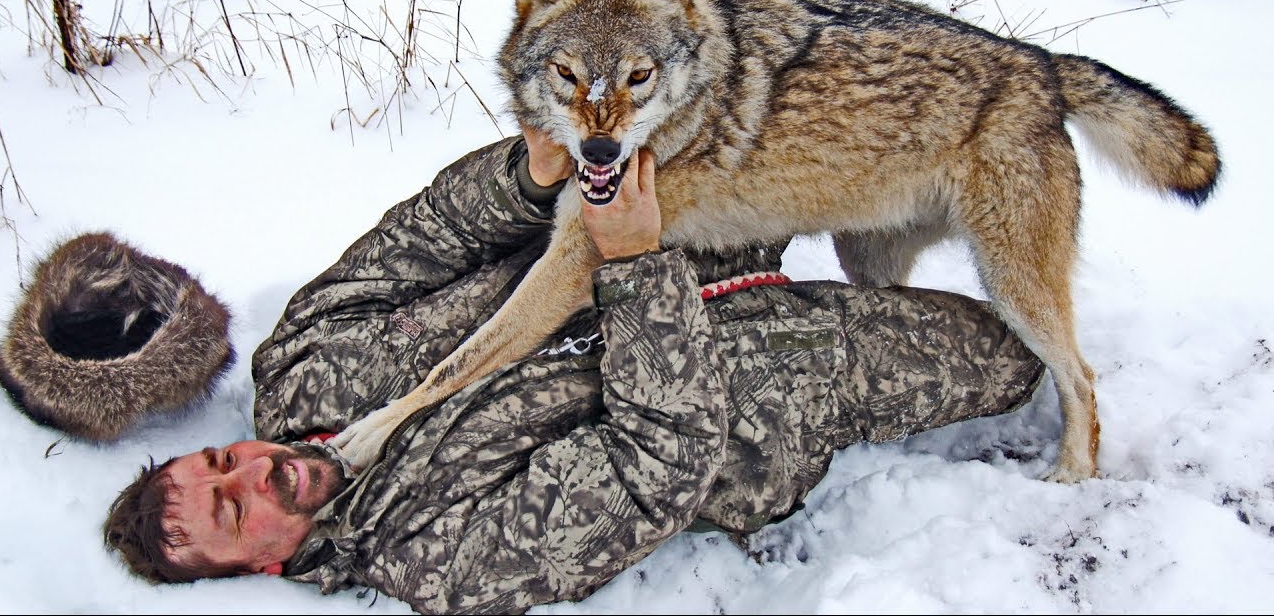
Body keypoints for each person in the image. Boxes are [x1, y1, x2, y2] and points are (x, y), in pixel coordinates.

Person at [103, 127, 1045, 613]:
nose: (251, 472)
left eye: (221, 463)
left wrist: (529, 175)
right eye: (234, 510)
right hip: (760, 377)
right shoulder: (441, 564)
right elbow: (656, 463)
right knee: (1015, 356)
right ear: (263, 563)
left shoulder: (303, 368)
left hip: (609, 241)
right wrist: (639, 274)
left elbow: (427, 238)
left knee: (826, 124)